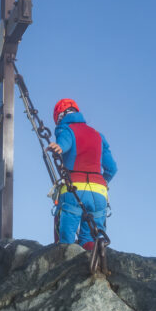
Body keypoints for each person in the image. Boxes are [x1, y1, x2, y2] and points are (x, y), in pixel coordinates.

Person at [47, 98, 118, 249]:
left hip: (74, 190)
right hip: (99, 192)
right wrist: (101, 182)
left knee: (65, 241)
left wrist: (58, 146)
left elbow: (64, 144)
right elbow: (112, 168)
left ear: (60, 117)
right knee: (90, 240)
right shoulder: (99, 136)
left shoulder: (66, 130)